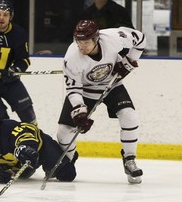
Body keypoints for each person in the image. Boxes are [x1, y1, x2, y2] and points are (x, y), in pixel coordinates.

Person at [57, 19, 146, 184]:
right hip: (85, 91)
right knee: (64, 131)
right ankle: (68, 158)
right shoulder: (72, 58)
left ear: (96, 38)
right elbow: (73, 89)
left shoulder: (113, 38)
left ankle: (129, 160)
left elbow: (140, 38)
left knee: (130, 116)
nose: (81, 46)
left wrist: (128, 61)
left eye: (85, 42)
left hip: (112, 85)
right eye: (79, 42)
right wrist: (80, 111)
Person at [0, 108, 77, 184]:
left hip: (41, 148)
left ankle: (69, 156)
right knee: (23, 175)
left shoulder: (8, 128)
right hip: (22, 163)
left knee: (67, 174)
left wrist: (24, 147)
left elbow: (26, 137)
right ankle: (29, 167)